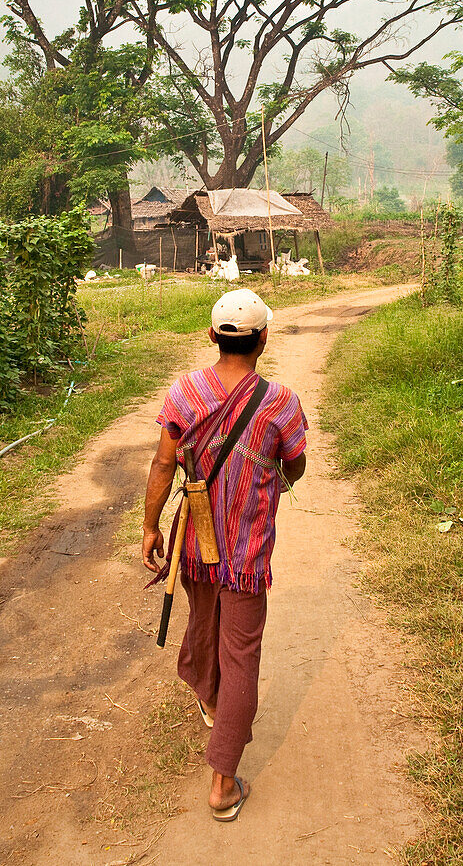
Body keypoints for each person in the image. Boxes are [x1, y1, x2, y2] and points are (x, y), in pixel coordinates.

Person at [142, 288, 307, 821]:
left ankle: (211, 702)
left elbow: (165, 466)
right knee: (241, 653)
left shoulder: (184, 393)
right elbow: (296, 465)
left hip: (195, 542)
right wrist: (278, 474)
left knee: (205, 619)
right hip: (247, 551)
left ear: (212, 336)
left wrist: (150, 527)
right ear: (263, 340)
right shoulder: (280, 403)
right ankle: (221, 782)